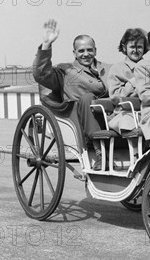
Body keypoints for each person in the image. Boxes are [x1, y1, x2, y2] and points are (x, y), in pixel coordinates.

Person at [32, 19, 109, 170]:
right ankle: (100, 152)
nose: (86, 54)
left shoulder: (108, 69)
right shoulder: (65, 71)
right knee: (88, 98)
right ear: (74, 53)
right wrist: (47, 44)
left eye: (89, 50)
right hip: (81, 122)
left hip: (110, 117)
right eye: (81, 51)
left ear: (95, 50)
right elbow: (41, 74)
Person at [106, 27, 148, 136]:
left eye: (139, 47)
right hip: (126, 113)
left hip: (148, 112)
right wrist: (134, 82)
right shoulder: (117, 68)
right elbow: (115, 97)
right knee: (128, 124)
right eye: (132, 47)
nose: (136, 50)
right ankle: (135, 152)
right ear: (124, 48)